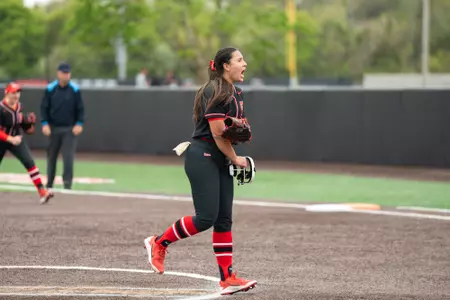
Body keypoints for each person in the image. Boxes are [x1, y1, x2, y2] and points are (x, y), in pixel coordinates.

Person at [143, 47, 256, 295]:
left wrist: (236, 146)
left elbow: (232, 131)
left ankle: (227, 279)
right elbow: (217, 133)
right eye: (240, 60)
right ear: (226, 66)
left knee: (224, 219)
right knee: (206, 217)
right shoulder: (212, 91)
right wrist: (236, 159)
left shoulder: (237, 92)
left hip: (220, 157)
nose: (244, 64)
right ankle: (159, 242)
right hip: (203, 155)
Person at [0, 82, 54, 204]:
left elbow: (28, 131)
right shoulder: (1, 108)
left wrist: (30, 124)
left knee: (29, 162)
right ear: (6, 93)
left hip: (16, 138)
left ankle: (42, 192)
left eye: (18, 92)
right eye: (13, 92)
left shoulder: (19, 107)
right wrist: (9, 139)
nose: (16, 95)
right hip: (2, 140)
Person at [40, 62, 85, 190]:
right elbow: (44, 108)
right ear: (58, 74)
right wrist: (45, 124)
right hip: (53, 128)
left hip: (69, 129)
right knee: (51, 156)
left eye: (68, 73)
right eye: (64, 73)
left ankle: (67, 184)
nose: (66, 75)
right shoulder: (50, 89)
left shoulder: (75, 90)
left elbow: (80, 109)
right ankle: (49, 183)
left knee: (68, 158)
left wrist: (79, 123)